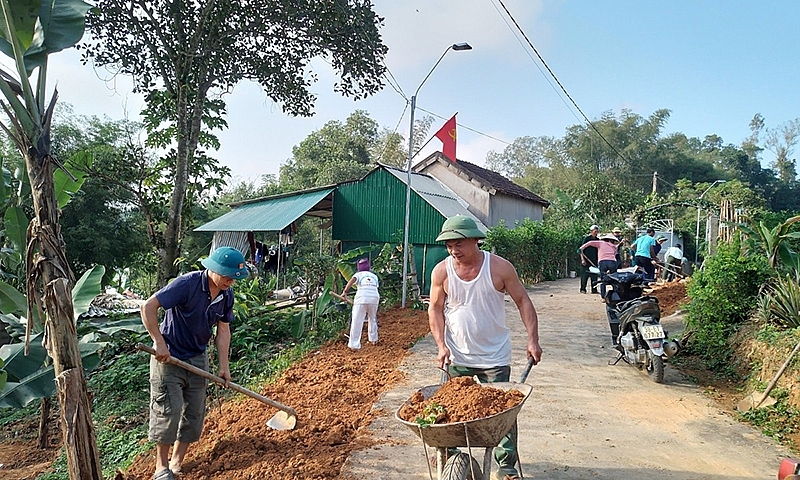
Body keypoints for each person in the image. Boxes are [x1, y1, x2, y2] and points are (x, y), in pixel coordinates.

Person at [428, 215, 542, 480]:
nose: (454, 250)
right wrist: (440, 345)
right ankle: (449, 455)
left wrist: (532, 339)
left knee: (502, 414)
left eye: (459, 243)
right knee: (449, 412)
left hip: (494, 356)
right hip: (457, 356)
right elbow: (434, 308)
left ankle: (506, 465)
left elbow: (523, 301)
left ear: (476, 240)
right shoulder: (441, 271)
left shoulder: (499, 268)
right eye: (449, 245)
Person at [141, 246, 249, 480]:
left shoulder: (226, 295)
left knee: (195, 411)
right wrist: (158, 342)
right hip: (169, 356)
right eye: (227, 275)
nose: (230, 281)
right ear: (213, 269)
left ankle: (177, 461)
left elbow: (223, 330)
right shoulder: (187, 284)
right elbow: (148, 306)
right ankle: (161, 467)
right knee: (168, 409)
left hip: (197, 357)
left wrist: (224, 366)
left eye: (234, 278)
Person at [341, 257, 380, 350]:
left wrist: (345, 292)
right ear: (369, 267)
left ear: (359, 267)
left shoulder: (358, 275)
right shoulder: (374, 276)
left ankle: (354, 345)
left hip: (361, 297)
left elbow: (352, 281)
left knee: (357, 320)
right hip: (374, 297)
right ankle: (373, 339)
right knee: (372, 318)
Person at [579, 234, 620, 302]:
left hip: (603, 262)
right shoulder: (614, 246)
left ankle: (603, 297)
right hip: (612, 262)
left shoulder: (600, 243)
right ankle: (616, 296)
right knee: (614, 280)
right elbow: (614, 254)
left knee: (603, 280)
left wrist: (581, 248)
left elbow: (590, 243)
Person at [579, 225, 600, 294]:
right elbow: (580, 250)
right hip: (586, 260)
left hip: (594, 261)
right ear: (591, 231)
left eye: (597, 231)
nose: (596, 233)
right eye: (595, 231)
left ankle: (594, 290)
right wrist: (583, 259)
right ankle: (583, 289)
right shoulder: (587, 239)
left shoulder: (598, 240)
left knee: (594, 276)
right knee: (584, 276)